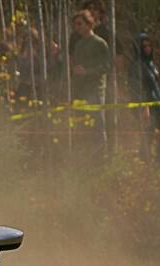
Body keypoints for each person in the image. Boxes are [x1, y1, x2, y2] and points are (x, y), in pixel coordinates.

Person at [71, 9, 110, 156]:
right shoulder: (79, 44)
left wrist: (87, 71)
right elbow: (76, 65)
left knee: (98, 124)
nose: (77, 27)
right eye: (75, 25)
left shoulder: (100, 43)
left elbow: (106, 66)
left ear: (89, 24)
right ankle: (85, 157)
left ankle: (101, 157)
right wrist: (77, 71)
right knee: (82, 123)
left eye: (80, 24)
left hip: (95, 90)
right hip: (80, 90)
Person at [130, 33, 160, 162]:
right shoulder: (136, 66)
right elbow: (135, 88)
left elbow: (155, 85)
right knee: (148, 132)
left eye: (149, 45)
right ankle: (145, 160)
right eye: (144, 46)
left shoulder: (151, 64)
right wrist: (144, 106)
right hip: (147, 104)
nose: (147, 48)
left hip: (158, 102)